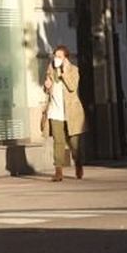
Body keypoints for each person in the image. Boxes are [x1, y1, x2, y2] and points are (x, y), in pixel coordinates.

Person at [42, 45, 86, 182]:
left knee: (74, 144)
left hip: (71, 113)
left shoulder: (73, 70)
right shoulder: (50, 70)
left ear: (66, 58)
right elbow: (48, 89)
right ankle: (58, 171)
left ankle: (78, 163)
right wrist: (46, 86)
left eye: (60, 57)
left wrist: (64, 71)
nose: (57, 59)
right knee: (58, 141)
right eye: (55, 56)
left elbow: (72, 87)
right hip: (55, 112)